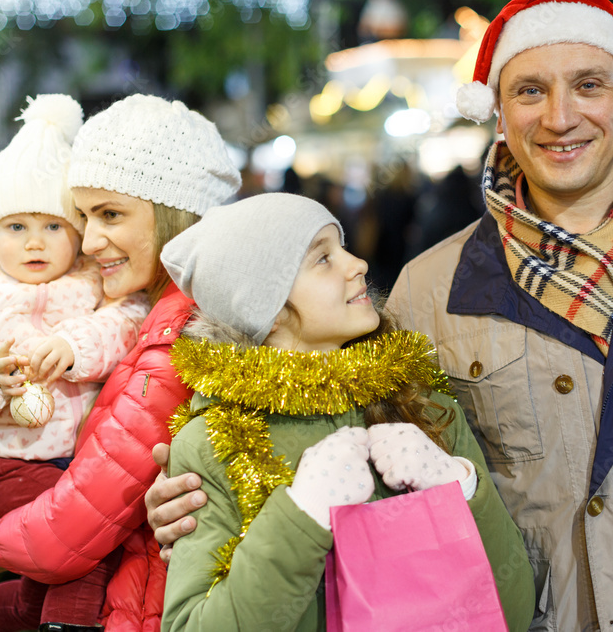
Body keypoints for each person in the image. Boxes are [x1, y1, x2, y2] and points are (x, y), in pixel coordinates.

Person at [146, 0, 613, 632]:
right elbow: (319, 411)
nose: (560, 116)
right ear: (500, 113)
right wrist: (188, 495)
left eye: (588, 85)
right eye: (529, 91)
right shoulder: (431, 287)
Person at [157, 192, 534, 631]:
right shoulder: (213, 442)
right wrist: (300, 517)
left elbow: (512, 609)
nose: (358, 264)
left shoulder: (419, 401)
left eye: (343, 247)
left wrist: (460, 488)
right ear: (268, 307)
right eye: (323, 259)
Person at [0, 94, 240, 632]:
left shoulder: (180, 334)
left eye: (110, 215)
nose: (89, 239)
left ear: (177, 214)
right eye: (81, 216)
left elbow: (80, 518)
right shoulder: (137, 308)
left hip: (149, 601)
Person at [0, 94, 150, 632]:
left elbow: (129, 320)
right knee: (80, 552)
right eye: (16, 227)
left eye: (53, 226)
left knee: (52, 578)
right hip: (12, 465)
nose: (35, 242)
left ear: (78, 234)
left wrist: (75, 345)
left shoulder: (95, 286)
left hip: (88, 460)